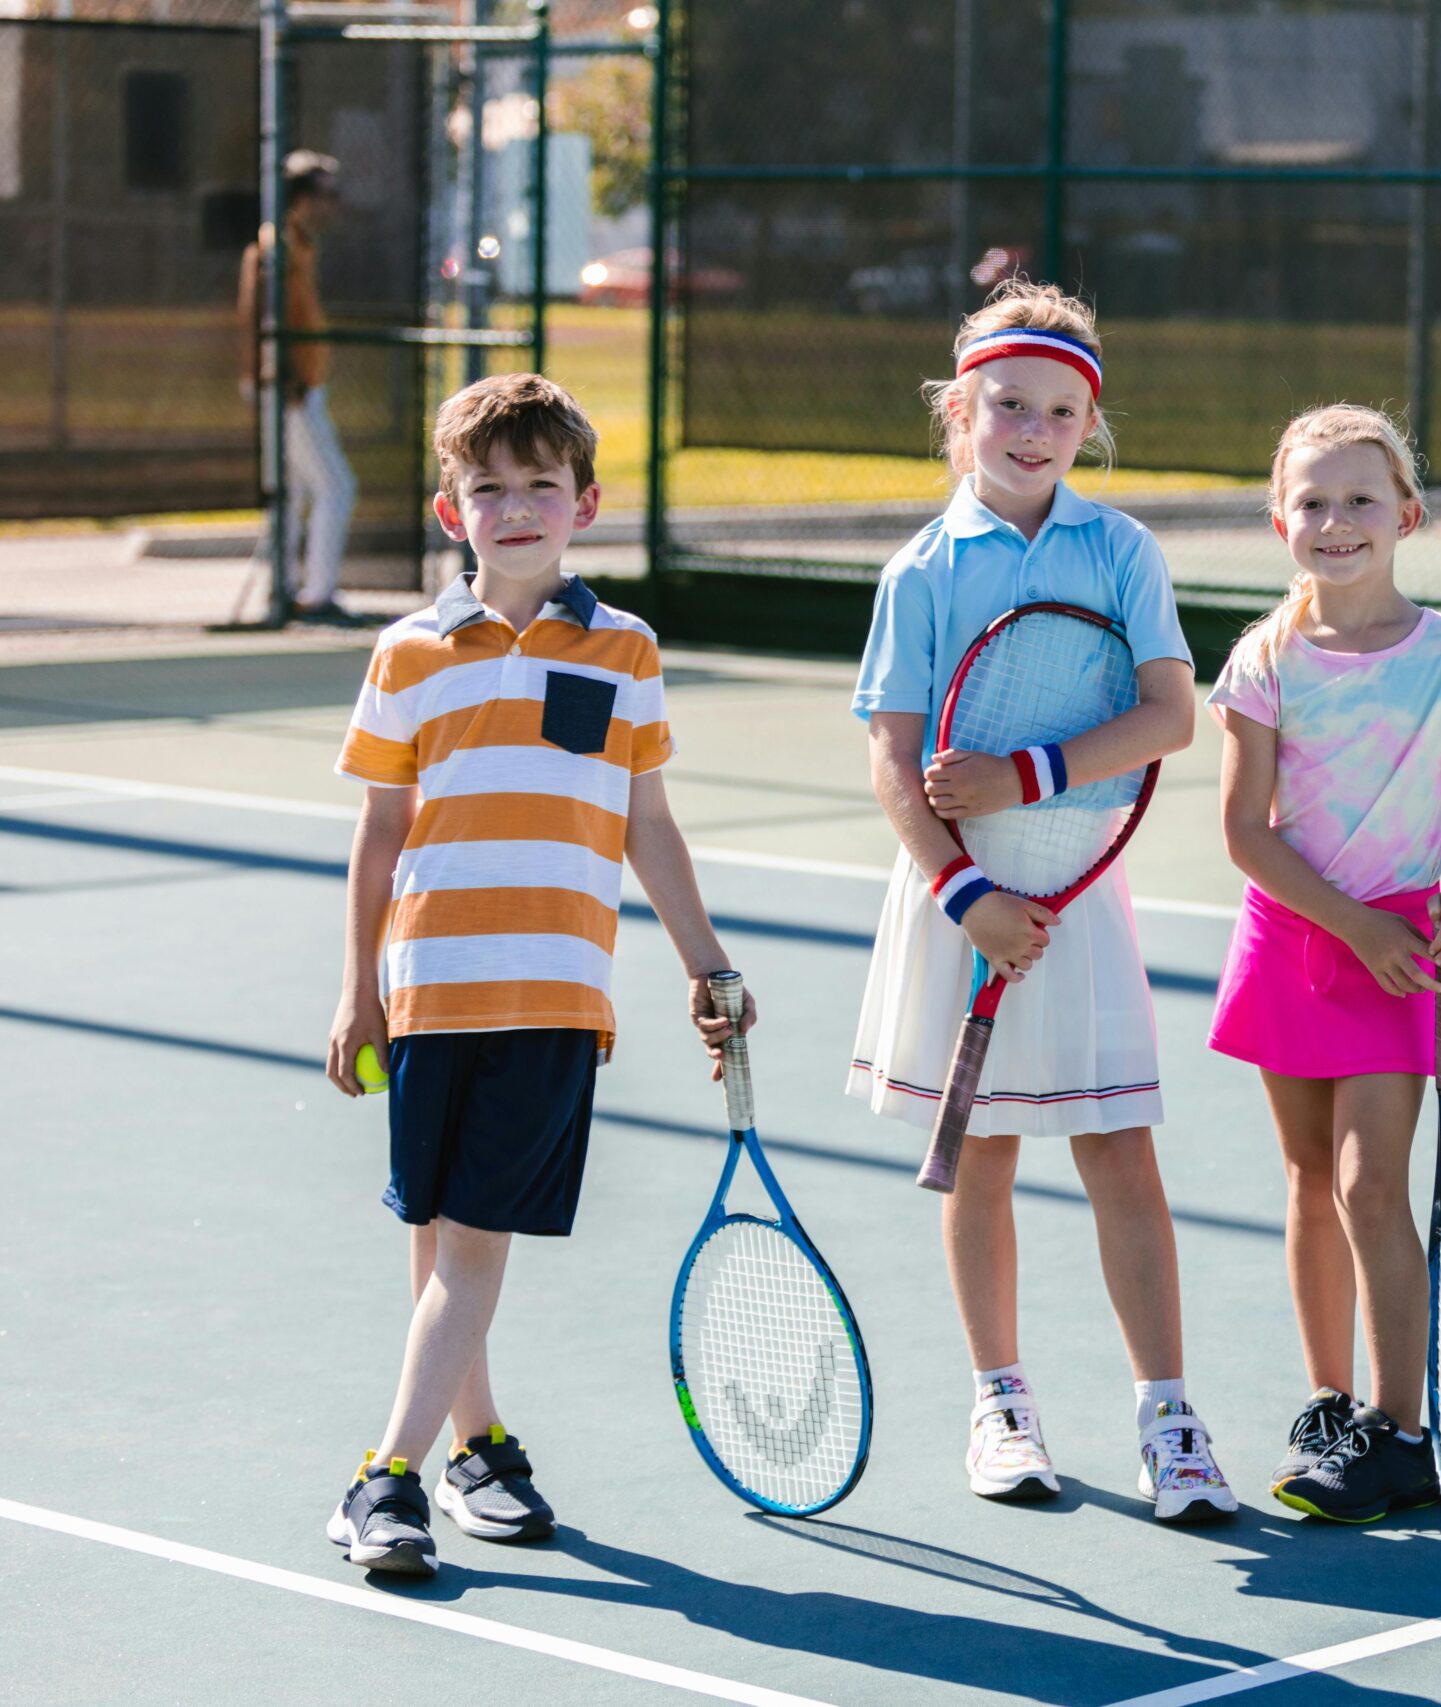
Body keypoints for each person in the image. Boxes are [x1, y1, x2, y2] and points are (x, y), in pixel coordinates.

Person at [322, 372, 750, 1575]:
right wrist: (358, 987)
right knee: (442, 1231)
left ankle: (385, 1477)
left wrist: (705, 960)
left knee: (471, 1243)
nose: (516, 507)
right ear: (452, 513)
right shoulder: (407, 656)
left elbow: (646, 822)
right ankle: (475, 1451)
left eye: (540, 487)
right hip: (428, 989)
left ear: (587, 504)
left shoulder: (626, 650)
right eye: (489, 489)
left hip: (556, 991)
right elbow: (380, 832)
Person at [848, 279, 1236, 1522]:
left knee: (1121, 1150)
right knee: (982, 1159)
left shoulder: (1120, 549)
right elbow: (893, 765)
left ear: (1088, 426)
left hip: (1077, 898)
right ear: (959, 410)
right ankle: (1000, 1406)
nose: (1031, 429)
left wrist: (1028, 774)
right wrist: (966, 894)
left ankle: (1169, 1418)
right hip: (960, 902)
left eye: (1059, 412)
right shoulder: (918, 572)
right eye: (1008, 404)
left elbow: (1174, 714)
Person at [1206, 404, 1441, 1524]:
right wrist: (1350, 924)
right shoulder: (1265, 658)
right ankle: (1331, 1401)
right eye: (1312, 502)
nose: (1334, 522)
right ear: (1279, 519)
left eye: (1359, 501)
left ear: (1406, 517)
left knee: (1365, 1184)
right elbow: (1244, 831)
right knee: (1304, 1182)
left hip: (1394, 955)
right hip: (1296, 936)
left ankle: (1399, 1430)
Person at [238, 148, 362, 623]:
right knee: (336, 487)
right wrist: (284, 380)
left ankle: (286, 590)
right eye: (328, 195)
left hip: (300, 388)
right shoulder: (277, 249)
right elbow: (263, 319)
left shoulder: (301, 247)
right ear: (302, 198)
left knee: (296, 492)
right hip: (288, 390)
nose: (336, 204)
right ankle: (316, 596)